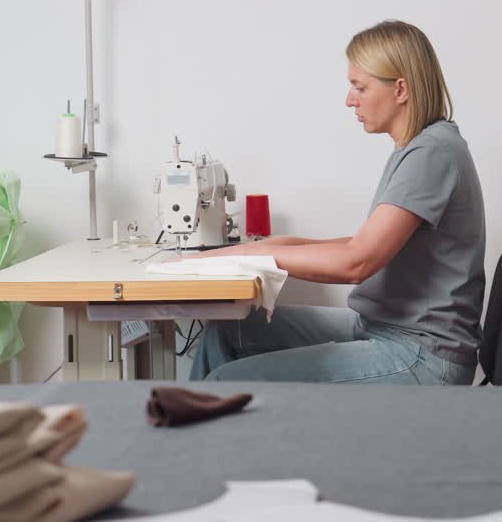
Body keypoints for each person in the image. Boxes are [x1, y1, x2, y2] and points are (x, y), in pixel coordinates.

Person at [188, 20, 485, 384]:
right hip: (385, 328)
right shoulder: (416, 148)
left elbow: (356, 263)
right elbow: (359, 245)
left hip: (422, 354)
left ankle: (214, 435)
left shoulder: (432, 153)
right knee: (227, 331)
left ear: (401, 90)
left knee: (226, 381)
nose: (349, 99)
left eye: (359, 87)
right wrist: (267, 246)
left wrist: (247, 256)